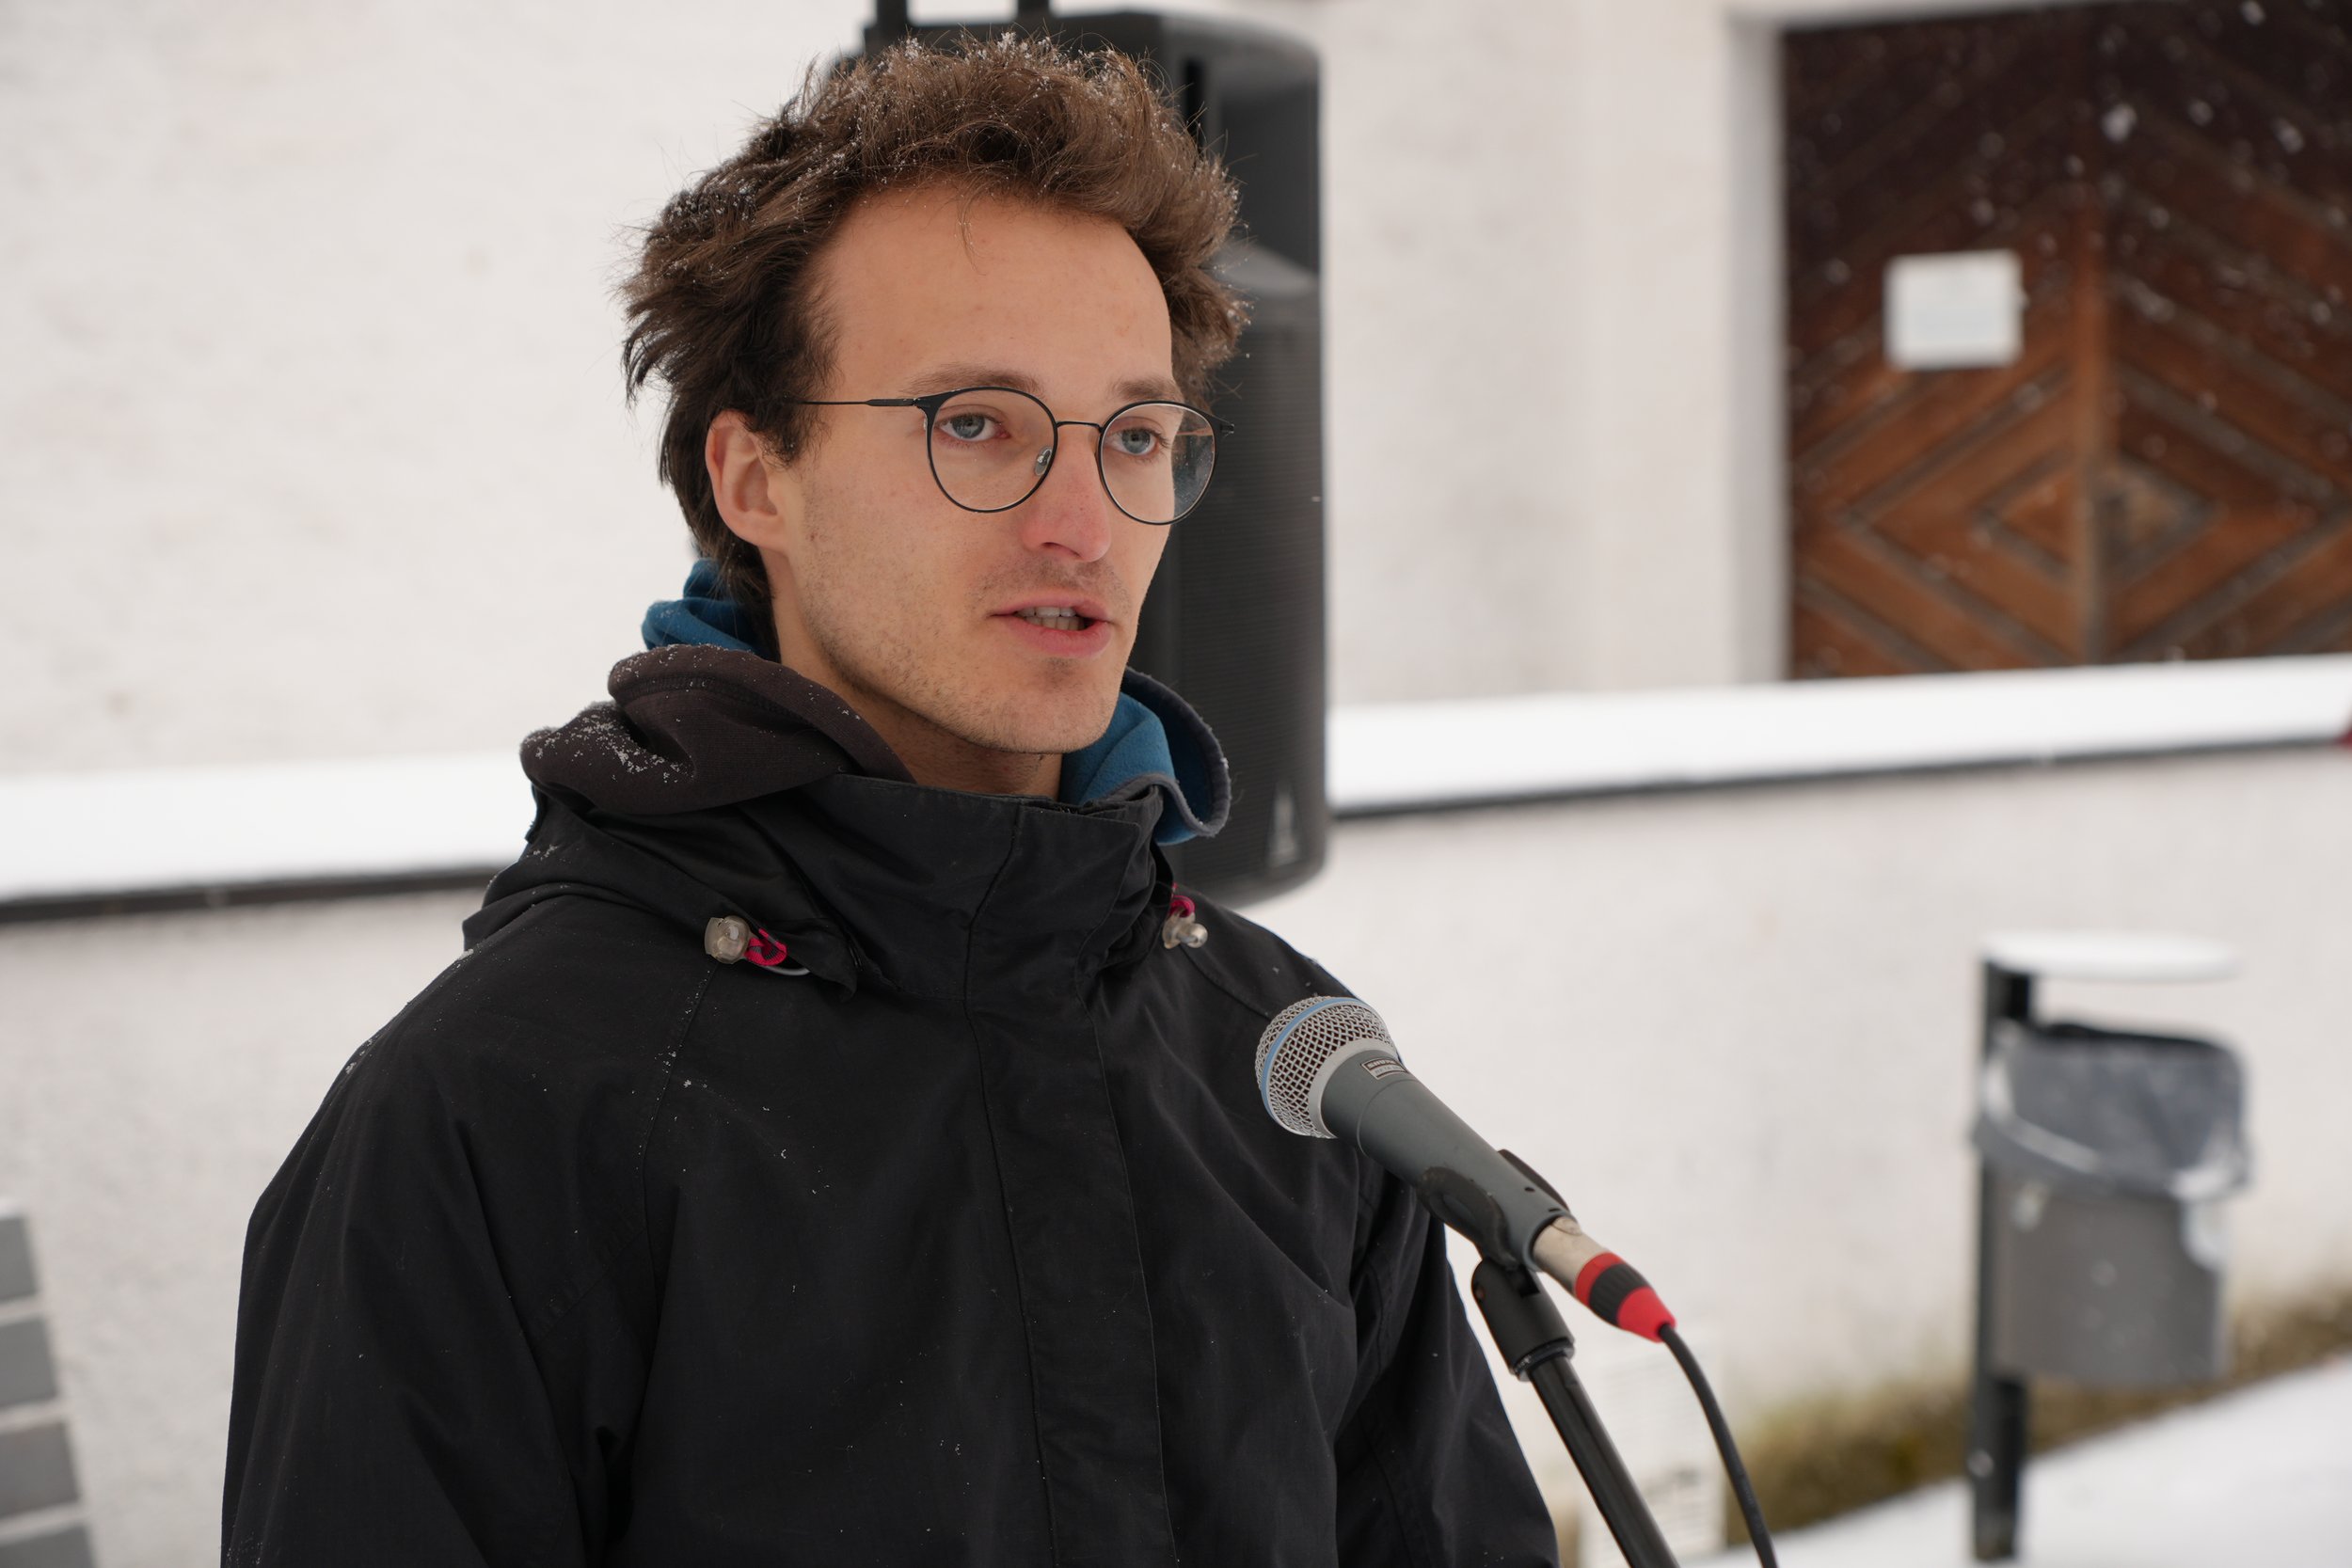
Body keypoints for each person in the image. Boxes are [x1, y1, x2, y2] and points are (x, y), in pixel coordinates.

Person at [222, 35, 1556, 1567]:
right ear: (754, 479)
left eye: (1134, 437)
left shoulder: (1279, 1062)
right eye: (974, 423)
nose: (1082, 522)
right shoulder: (498, 1105)